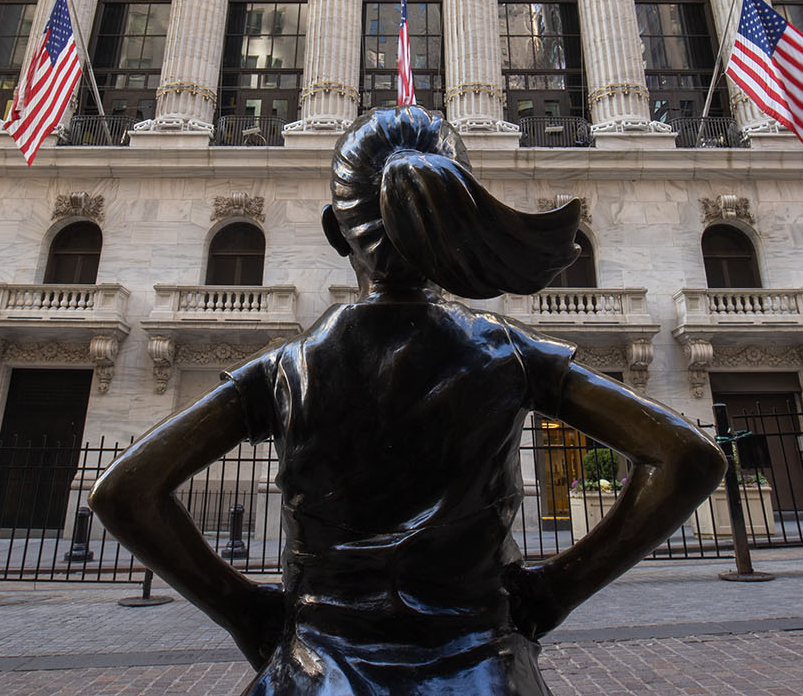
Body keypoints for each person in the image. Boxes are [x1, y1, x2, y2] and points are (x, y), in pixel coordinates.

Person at [90, 106, 727, 695]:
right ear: (459, 222)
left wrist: (248, 615)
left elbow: (124, 491)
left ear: (334, 233)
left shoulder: (286, 370)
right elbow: (687, 458)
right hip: (482, 671)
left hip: (316, 674)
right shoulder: (506, 354)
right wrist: (555, 593)